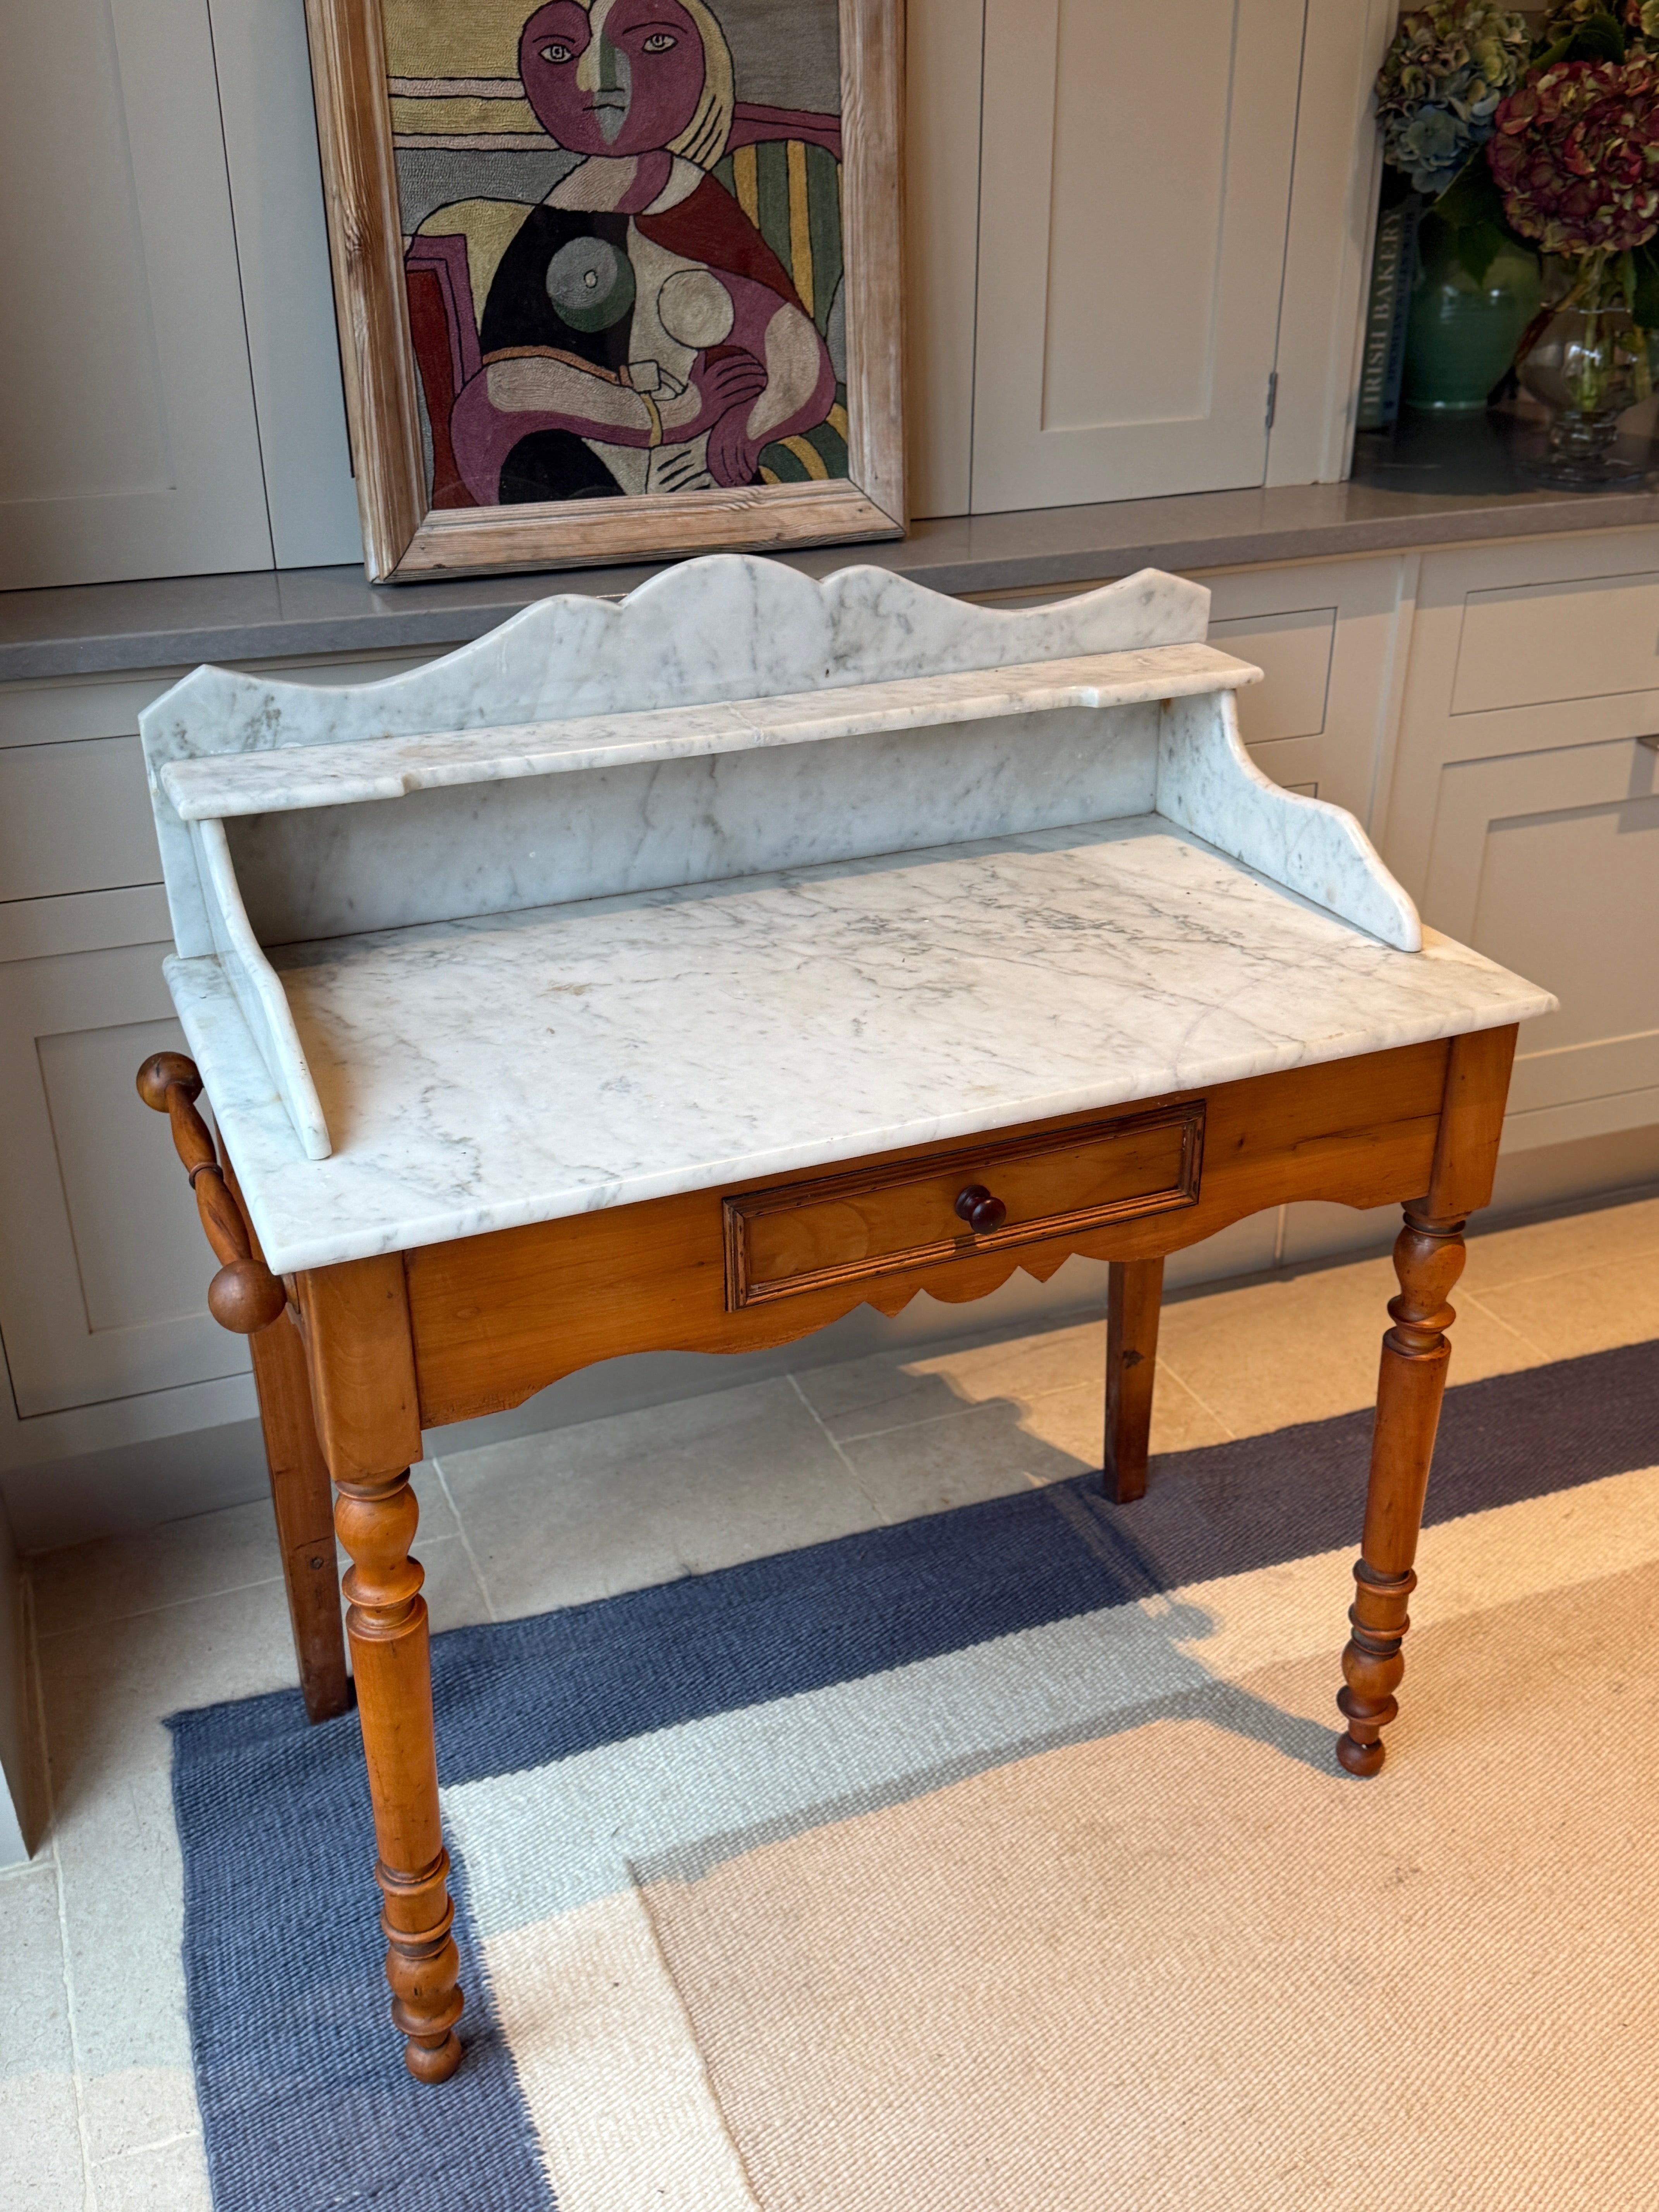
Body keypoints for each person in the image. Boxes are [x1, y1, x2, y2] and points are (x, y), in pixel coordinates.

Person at [437, 0, 837, 504]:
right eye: (561, 53)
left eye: (654, 44)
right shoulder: (554, 221)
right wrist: (670, 416)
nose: (599, 81)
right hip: (575, 470)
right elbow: (505, 391)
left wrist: (752, 426)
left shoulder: (699, 207)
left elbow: (794, 349)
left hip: (700, 474)